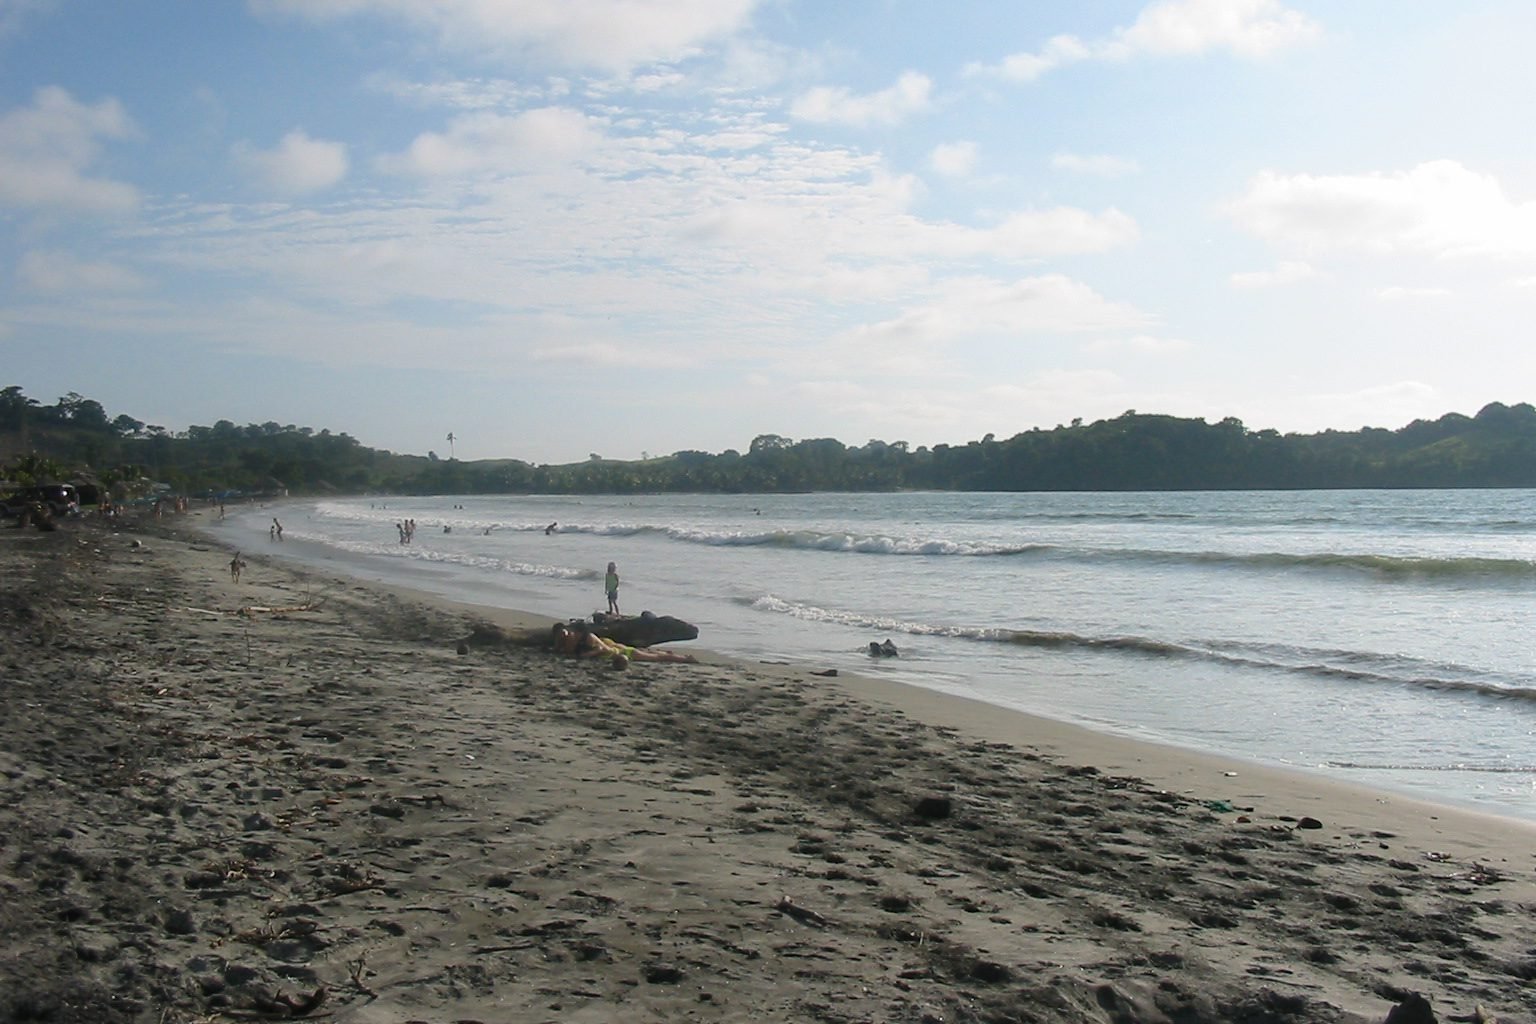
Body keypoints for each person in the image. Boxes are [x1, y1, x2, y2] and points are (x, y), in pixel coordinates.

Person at [549, 622, 696, 665]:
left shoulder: (587, 637)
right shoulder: (569, 639)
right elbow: (562, 649)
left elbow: (600, 649)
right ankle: (672, 656)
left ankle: (684, 659)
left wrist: (587, 655)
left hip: (616, 653)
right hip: (612, 646)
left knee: (655, 658)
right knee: (650, 654)